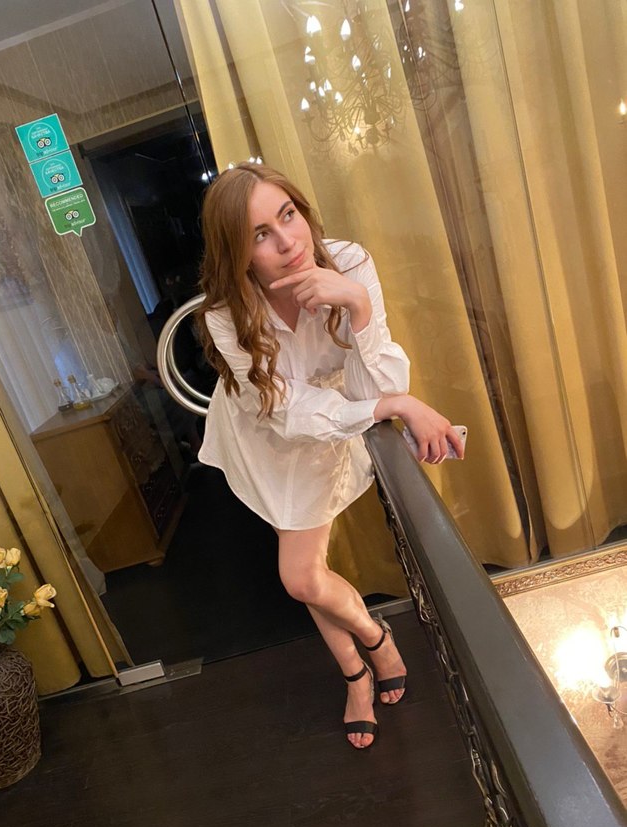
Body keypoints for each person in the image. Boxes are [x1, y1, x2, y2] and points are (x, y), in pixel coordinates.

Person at [195, 162, 464, 749]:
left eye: (288, 215)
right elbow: (286, 411)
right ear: (237, 254)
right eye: (260, 234)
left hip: (331, 425)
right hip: (264, 433)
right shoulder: (224, 314)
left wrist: (359, 308)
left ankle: (359, 668)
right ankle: (369, 650)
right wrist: (397, 405)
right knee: (305, 576)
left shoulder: (348, 263)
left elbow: (372, 387)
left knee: (301, 577)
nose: (288, 241)